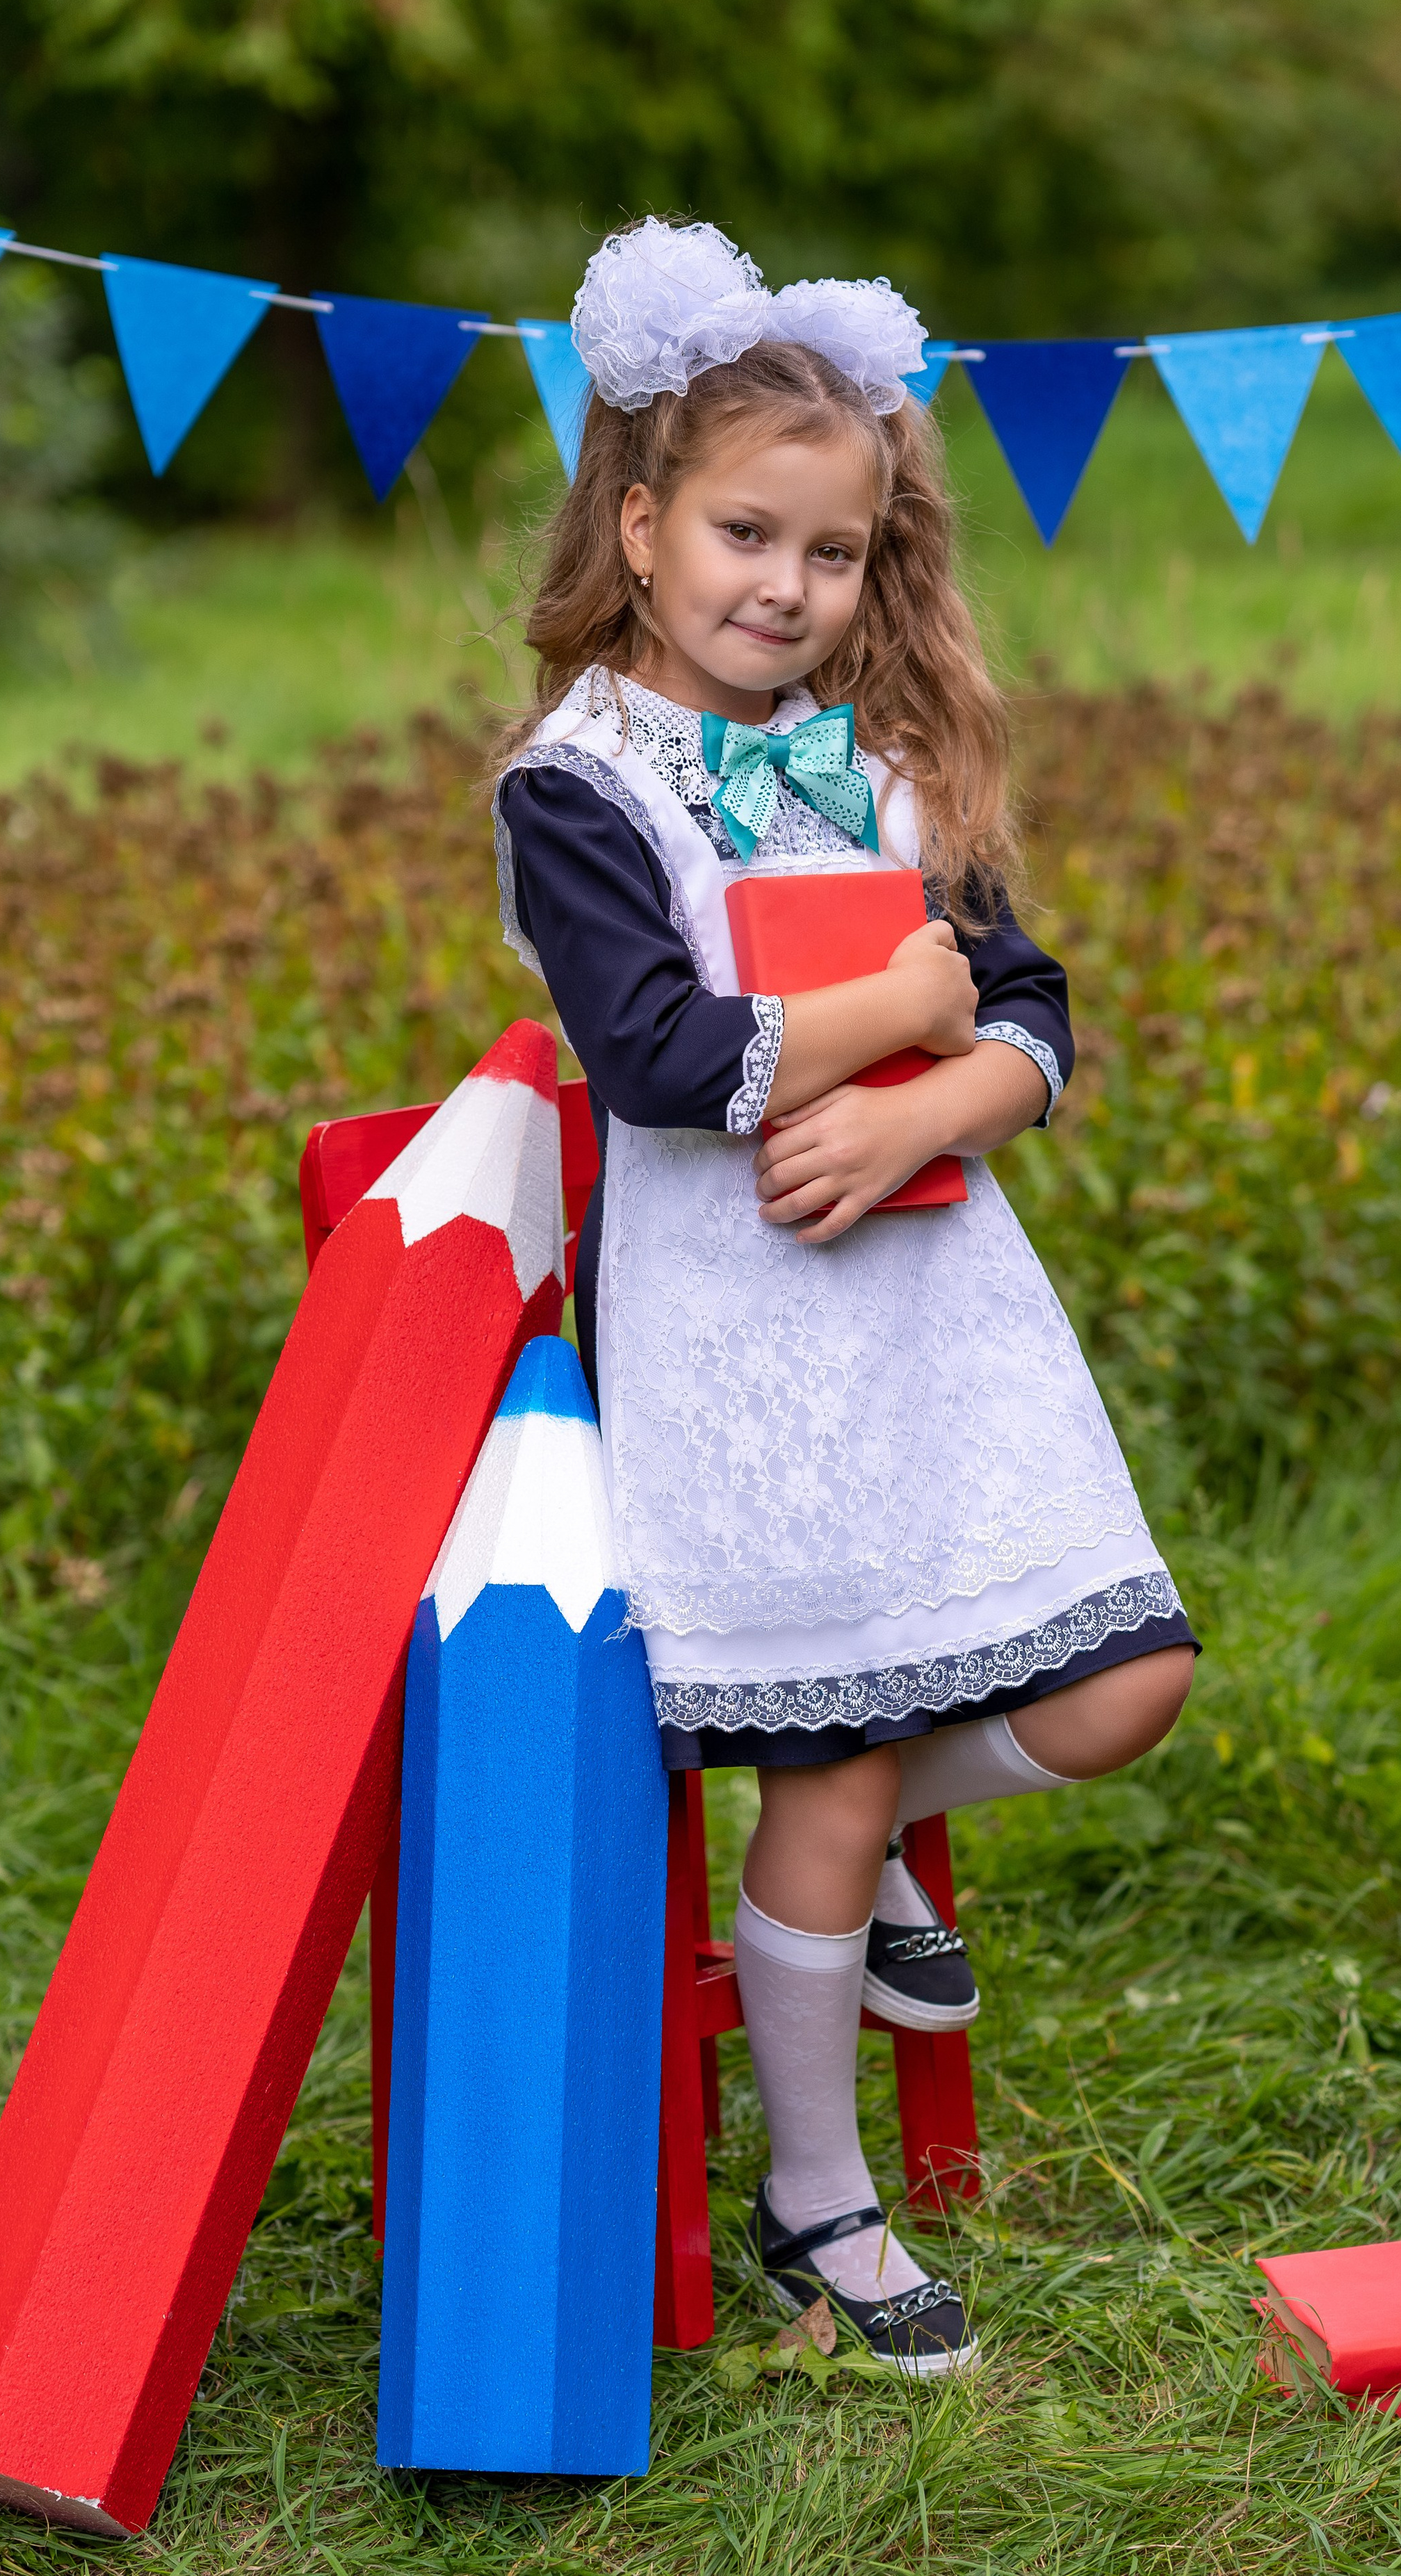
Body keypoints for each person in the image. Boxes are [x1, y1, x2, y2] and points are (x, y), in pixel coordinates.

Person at [490, 220, 1196, 2376]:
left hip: (942, 1320)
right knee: (826, 1766)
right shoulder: (578, 786)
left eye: (833, 549)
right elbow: (655, 1059)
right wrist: (892, 1008)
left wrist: (942, 1102)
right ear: (640, 523)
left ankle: (884, 1822)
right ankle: (821, 2207)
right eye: (744, 535)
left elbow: (1033, 1002)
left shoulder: (884, 753)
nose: (787, 586)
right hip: (749, 1354)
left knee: (1132, 1682)